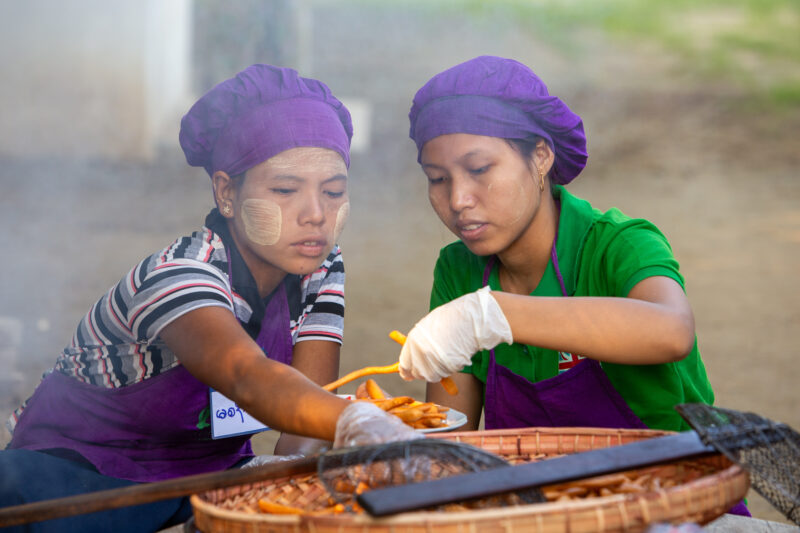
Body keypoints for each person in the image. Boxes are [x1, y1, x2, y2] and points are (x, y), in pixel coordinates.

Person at [0, 64, 418, 532]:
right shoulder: (177, 275)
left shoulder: (321, 266)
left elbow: (308, 411)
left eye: (334, 191)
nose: (316, 215)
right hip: (75, 483)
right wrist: (357, 421)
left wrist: (275, 479)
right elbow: (245, 374)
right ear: (226, 193)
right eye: (285, 190)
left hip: (209, 480)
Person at [399, 57, 752, 518]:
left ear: (541, 157)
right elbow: (451, 440)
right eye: (437, 179)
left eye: (480, 168)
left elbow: (671, 331)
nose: (458, 200)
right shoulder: (457, 270)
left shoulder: (617, 245)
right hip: (537, 516)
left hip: (677, 507)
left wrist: (492, 316)